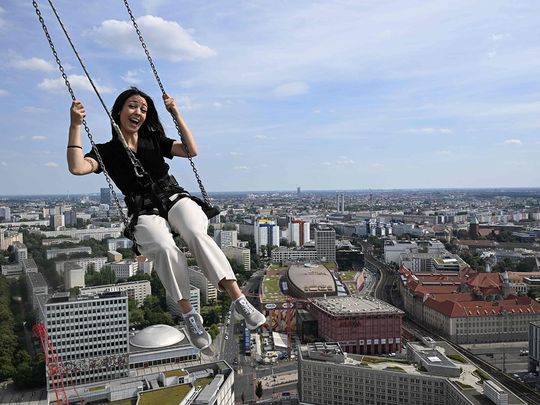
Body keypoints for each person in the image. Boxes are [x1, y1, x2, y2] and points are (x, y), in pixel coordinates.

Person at [67, 87, 265, 350]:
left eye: (143, 109)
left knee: (195, 233)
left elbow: (191, 150)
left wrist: (176, 113)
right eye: (132, 106)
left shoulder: (154, 139)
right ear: (118, 111)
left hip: (172, 196)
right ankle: (189, 314)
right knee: (163, 247)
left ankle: (238, 299)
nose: (138, 111)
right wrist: (75, 125)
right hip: (143, 209)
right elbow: (77, 167)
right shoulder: (106, 151)